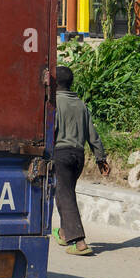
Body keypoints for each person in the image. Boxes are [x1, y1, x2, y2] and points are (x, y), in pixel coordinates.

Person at [52, 65, 110, 256]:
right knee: (64, 193)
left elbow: (51, 130)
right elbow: (93, 135)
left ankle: (79, 242)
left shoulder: (54, 103)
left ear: (54, 83)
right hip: (78, 156)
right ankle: (63, 232)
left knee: (64, 196)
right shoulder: (80, 104)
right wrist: (101, 158)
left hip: (60, 155)